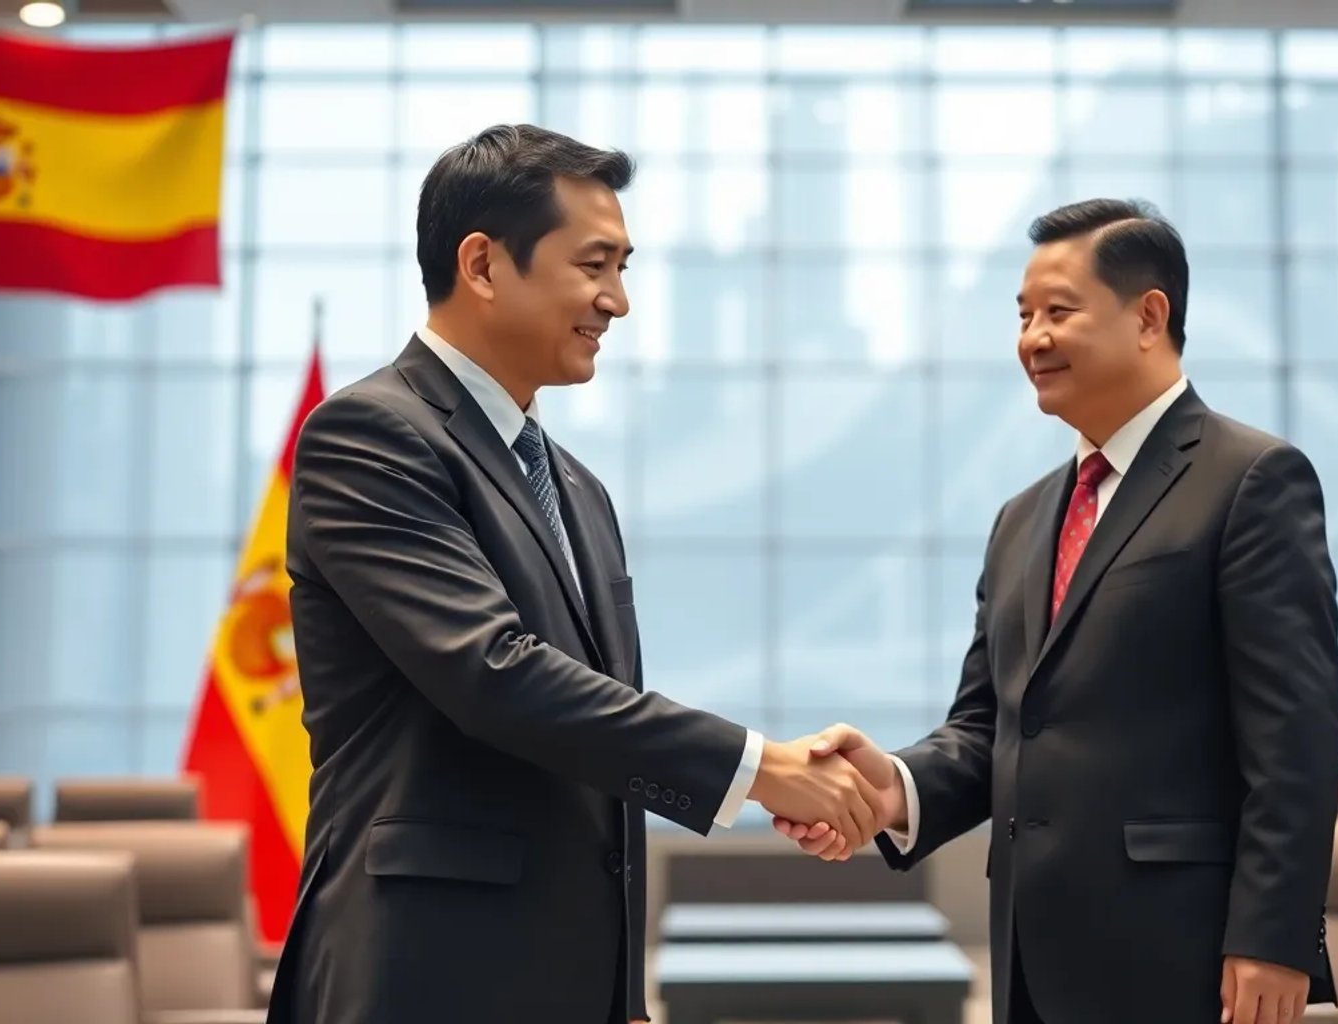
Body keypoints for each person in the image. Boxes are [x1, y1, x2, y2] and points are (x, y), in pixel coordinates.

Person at [266, 124, 884, 1024]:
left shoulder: (577, 490)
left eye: (623, 268)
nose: (618, 302)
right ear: (481, 265)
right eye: (595, 265)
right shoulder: (369, 435)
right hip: (424, 971)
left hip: (568, 978)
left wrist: (620, 991)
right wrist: (762, 769)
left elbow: (593, 733)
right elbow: (495, 675)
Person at [776, 199, 1338, 1024]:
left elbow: (1295, 738)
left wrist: (1275, 937)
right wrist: (890, 787)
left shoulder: (1252, 480)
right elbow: (990, 729)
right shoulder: (1022, 518)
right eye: (1023, 315)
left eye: (1058, 312)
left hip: (1189, 960)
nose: (1032, 338)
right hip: (1030, 964)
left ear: (1150, 316)